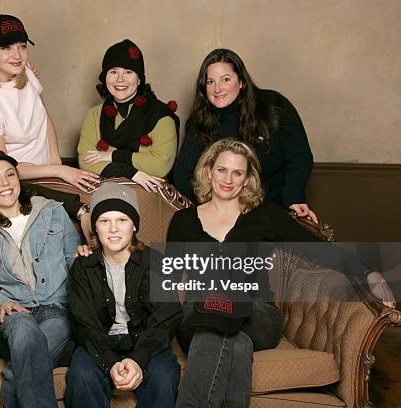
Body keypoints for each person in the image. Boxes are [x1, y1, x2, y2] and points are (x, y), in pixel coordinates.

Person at [167, 138, 394, 407]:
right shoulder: (183, 222)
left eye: (237, 172)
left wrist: (369, 274)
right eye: (222, 170)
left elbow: (318, 250)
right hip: (200, 312)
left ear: (247, 179)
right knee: (231, 339)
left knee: (230, 307)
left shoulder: (265, 215)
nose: (228, 179)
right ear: (208, 171)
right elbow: (168, 281)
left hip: (256, 313)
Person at [0, 150, 80, 408]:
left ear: (19, 179)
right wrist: (0, 304)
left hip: (57, 311)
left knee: (15, 372)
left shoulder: (52, 212)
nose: (5, 183)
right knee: (22, 327)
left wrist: (83, 257)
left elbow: (72, 262)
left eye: (10, 175)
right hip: (12, 315)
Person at [66, 183, 182, 407]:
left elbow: (166, 317)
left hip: (145, 340)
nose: (113, 229)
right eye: (104, 221)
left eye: (122, 220)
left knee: (164, 377)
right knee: (81, 378)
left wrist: (138, 360)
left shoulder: (155, 261)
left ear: (134, 226)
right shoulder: (83, 267)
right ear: (95, 228)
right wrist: (110, 363)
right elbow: (84, 325)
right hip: (99, 343)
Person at [172, 48, 318, 222]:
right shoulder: (201, 121)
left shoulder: (273, 106)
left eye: (225, 79)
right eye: (210, 82)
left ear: (241, 82)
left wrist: (294, 198)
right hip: (224, 217)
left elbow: (299, 157)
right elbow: (182, 176)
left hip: (274, 209)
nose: (217, 88)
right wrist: (211, 208)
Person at [0, 14, 99, 193]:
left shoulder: (26, 72)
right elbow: (2, 167)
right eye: (6, 48)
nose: (17, 55)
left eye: (22, 46)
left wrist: (57, 164)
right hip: (21, 183)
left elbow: (43, 117)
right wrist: (59, 171)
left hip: (52, 171)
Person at [77, 39, 180, 192]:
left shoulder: (161, 116)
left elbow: (160, 166)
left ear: (139, 79)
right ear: (105, 78)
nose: (120, 79)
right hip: (103, 193)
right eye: (113, 72)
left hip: (148, 194)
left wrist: (112, 156)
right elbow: (85, 162)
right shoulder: (94, 115)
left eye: (128, 72)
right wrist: (133, 173)